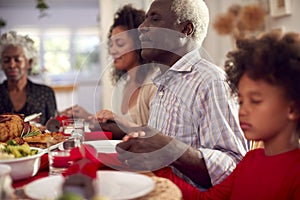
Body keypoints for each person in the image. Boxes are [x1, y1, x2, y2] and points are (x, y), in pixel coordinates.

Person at [114, 0, 248, 191]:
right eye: (145, 19)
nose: (142, 28)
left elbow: (234, 166)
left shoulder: (210, 80)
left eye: (155, 19)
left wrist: (171, 149)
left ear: (185, 30)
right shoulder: (164, 80)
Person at [190, 30, 300, 199]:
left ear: (292, 109)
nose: (243, 111)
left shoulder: (295, 173)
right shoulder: (250, 160)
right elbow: (206, 198)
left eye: (255, 101)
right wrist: (161, 162)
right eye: (240, 101)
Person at [62, 5, 158, 139]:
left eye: (119, 44)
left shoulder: (154, 85)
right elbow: (121, 129)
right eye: (111, 45)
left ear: (139, 44)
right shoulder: (124, 85)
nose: (112, 51)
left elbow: (158, 136)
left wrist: (117, 119)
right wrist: (90, 117)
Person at [0, 31, 57, 125]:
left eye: (17, 60)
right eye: (6, 60)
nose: (12, 65)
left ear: (29, 62)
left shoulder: (45, 93)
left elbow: (54, 129)